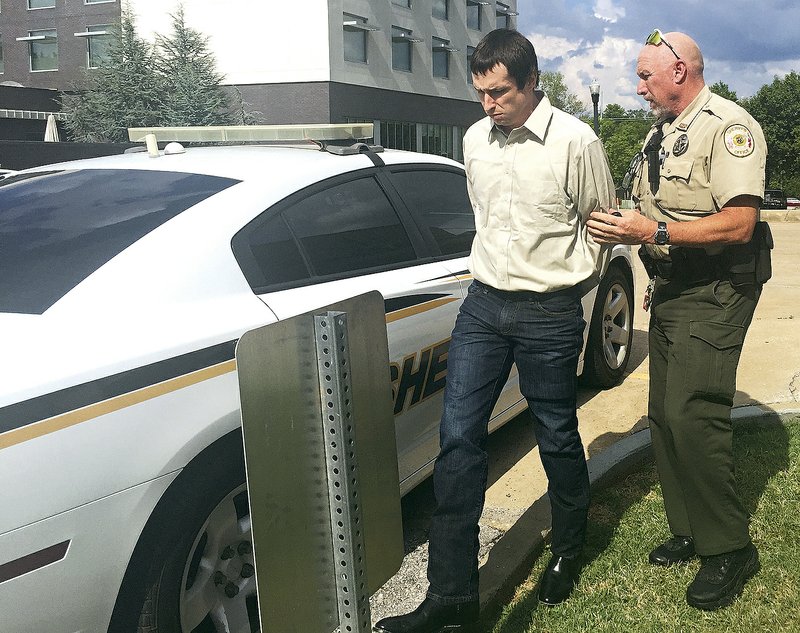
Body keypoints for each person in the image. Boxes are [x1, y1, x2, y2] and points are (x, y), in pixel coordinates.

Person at [374, 29, 615, 633]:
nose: (489, 104)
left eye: (500, 92)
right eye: (480, 92)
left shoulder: (575, 141)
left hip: (549, 310)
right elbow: (485, 220)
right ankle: (450, 598)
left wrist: (565, 293)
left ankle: (567, 548)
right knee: (456, 443)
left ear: (533, 82)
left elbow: (602, 227)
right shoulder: (474, 139)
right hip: (482, 306)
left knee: (555, 432)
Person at [587, 30, 769, 611]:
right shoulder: (662, 130)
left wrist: (654, 234)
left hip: (718, 286)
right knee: (663, 413)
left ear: (681, 71)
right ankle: (689, 528)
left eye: (645, 76)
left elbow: (739, 223)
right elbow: (657, 207)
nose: (638, 87)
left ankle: (729, 548)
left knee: (693, 413)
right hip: (675, 284)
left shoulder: (729, 128)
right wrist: (636, 235)